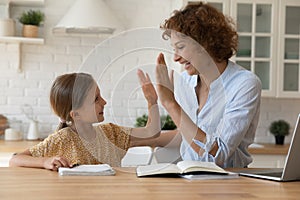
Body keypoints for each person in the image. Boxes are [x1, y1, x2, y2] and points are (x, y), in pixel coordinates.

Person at [139, 2, 262, 168]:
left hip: (230, 184)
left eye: (180, 47)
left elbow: (219, 155)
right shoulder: (185, 81)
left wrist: (170, 103)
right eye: (174, 49)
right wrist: (135, 140)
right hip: (188, 180)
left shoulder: (244, 84)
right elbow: (188, 134)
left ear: (206, 44)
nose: (175, 57)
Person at [9, 71, 160, 170]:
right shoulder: (62, 139)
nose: (104, 102)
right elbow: (15, 160)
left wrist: (152, 101)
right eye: (96, 99)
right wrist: (44, 162)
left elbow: (152, 132)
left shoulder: (111, 132)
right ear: (76, 114)